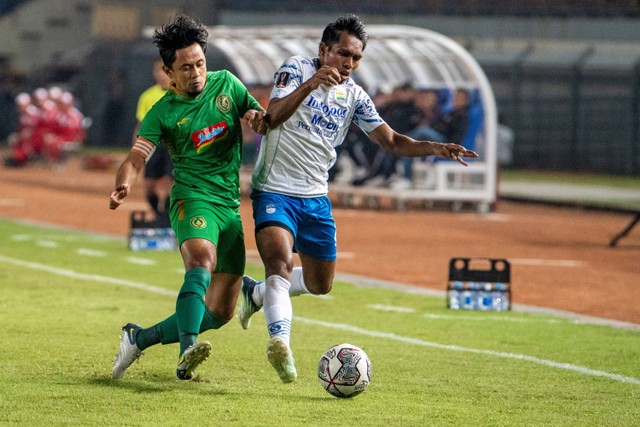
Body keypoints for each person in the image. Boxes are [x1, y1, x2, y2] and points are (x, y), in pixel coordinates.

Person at [238, 14, 478, 384]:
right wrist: (312, 83)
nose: (349, 63)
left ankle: (255, 295)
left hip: (316, 197)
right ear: (324, 50)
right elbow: (273, 117)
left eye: (356, 58)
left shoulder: (354, 96)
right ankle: (280, 344)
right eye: (343, 54)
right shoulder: (296, 69)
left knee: (321, 284)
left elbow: (393, 142)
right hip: (275, 189)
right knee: (279, 264)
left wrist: (436, 147)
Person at [108, 14, 266, 380]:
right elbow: (136, 156)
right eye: (186, 67)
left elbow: (253, 112)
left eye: (200, 64)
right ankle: (187, 352)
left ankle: (139, 338)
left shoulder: (226, 84)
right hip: (192, 199)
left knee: (221, 312)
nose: (196, 73)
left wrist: (257, 117)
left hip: (229, 204)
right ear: (168, 71)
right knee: (201, 261)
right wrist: (125, 183)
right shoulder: (162, 111)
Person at [133, 58, 174, 221]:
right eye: (158, 70)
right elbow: (141, 124)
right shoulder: (147, 96)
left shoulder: (183, 94)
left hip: (174, 146)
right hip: (154, 146)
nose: (161, 74)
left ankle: (167, 220)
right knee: (149, 186)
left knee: (173, 185)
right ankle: (159, 216)